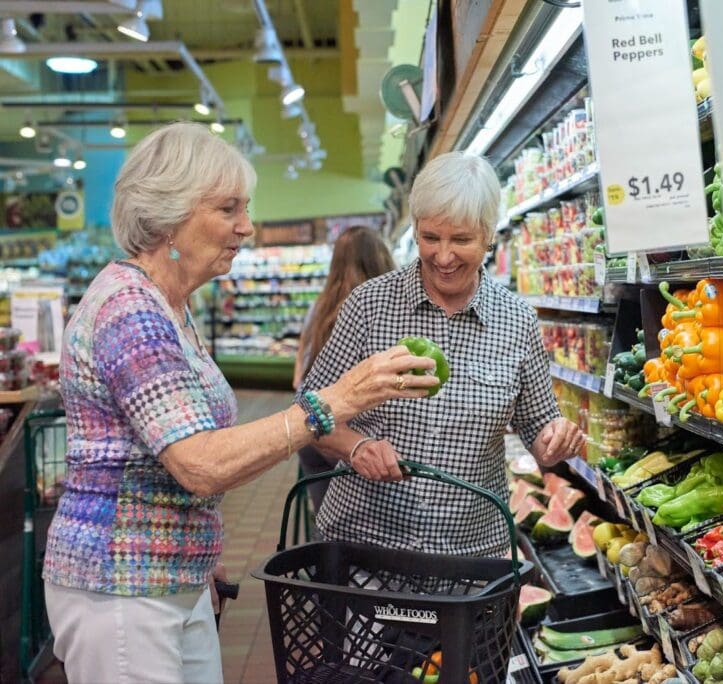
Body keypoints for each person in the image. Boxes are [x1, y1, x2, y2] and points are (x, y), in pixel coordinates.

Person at [42, 122, 438, 684]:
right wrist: (335, 400)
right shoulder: (131, 310)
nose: (247, 228)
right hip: (123, 584)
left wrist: (201, 553)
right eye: (229, 208)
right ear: (168, 214)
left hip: (173, 578)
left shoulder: (171, 307)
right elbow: (199, 464)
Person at [300, 151, 587, 559]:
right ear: (416, 229)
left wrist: (555, 438)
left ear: (489, 235)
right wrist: (356, 446)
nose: (444, 256)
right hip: (365, 544)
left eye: (462, 240)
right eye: (431, 238)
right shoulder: (369, 305)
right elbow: (311, 407)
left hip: (469, 556)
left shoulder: (517, 321)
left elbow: (539, 429)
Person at [292, 226, 396, 512]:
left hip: (313, 430)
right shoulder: (383, 310)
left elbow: (301, 368)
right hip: (352, 435)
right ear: (382, 259)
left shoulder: (321, 306)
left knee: (328, 514)